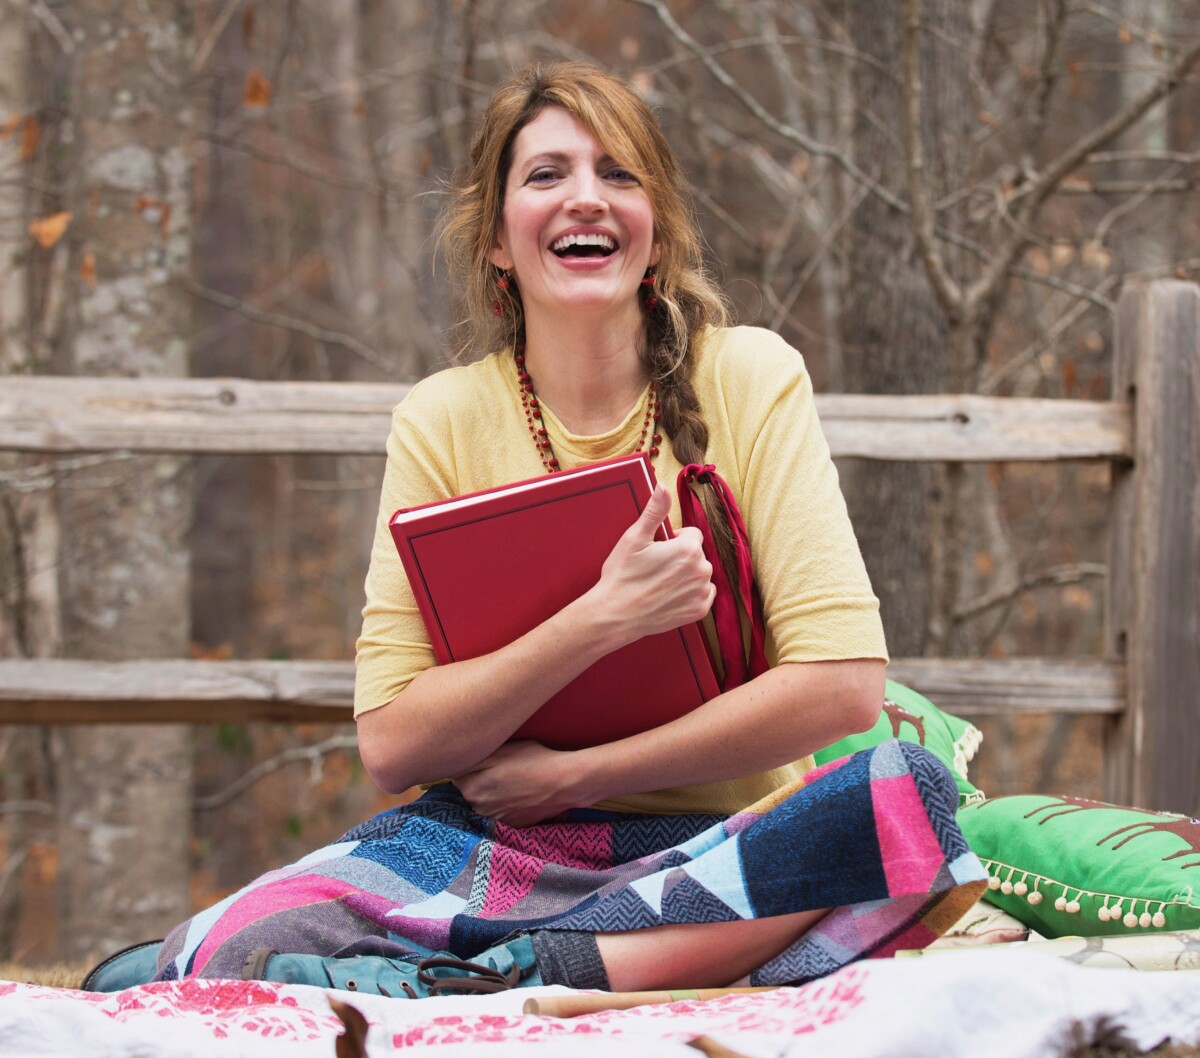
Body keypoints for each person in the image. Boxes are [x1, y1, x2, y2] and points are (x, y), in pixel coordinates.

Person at [83, 62, 985, 998]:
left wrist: (578, 773)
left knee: (904, 795)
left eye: (619, 174)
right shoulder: (441, 418)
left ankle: (495, 974)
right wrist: (600, 618)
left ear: (660, 230)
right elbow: (394, 743)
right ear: (498, 241)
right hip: (498, 843)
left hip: (721, 850)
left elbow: (842, 688)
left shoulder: (751, 377)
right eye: (547, 175)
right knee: (208, 954)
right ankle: (471, 963)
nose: (584, 199)